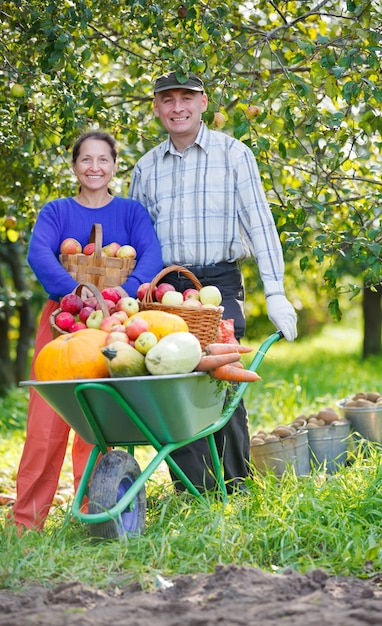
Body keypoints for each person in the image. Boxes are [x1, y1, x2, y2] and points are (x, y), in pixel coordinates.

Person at [129, 71, 297, 494]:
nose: (178, 107)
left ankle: (236, 485)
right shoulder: (146, 167)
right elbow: (137, 237)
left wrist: (275, 291)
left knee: (223, 378)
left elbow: (260, 225)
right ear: (156, 107)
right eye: (168, 100)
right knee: (172, 381)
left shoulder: (234, 154)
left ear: (204, 104)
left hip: (218, 283)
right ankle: (194, 490)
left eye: (188, 98)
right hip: (165, 289)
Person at [10, 130, 163, 532]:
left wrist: (115, 296)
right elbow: (39, 254)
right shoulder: (56, 211)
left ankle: (97, 512)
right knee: (46, 423)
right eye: (86, 160)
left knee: (97, 419)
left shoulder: (131, 213)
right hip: (62, 320)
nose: (94, 167)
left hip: (114, 323)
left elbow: (151, 256)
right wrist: (77, 293)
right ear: (74, 166)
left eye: (103, 160)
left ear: (115, 166)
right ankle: (28, 521)